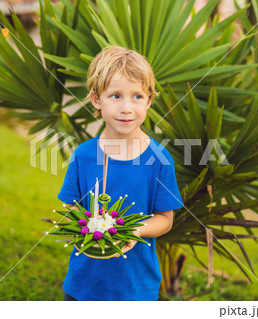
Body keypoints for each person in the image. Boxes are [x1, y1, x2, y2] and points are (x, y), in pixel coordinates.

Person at [57, 46, 184, 301]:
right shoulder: (83, 155)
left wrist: (135, 230)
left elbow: (165, 219)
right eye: (115, 96)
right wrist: (88, 224)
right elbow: (72, 206)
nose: (127, 108)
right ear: (96, 99)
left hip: (136, 287)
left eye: (137, 96)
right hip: (83, 285)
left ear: (149, 101)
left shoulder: (160, 160)